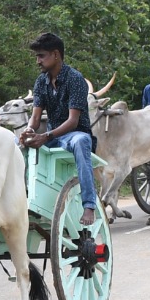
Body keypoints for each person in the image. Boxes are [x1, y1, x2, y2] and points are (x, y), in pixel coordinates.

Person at [20, 32, 99, 226]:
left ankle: (89, 205)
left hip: (74, 134)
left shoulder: (75, 79)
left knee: (81, 141)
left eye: (41, 56)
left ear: (56, 55)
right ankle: (22, 199)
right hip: (53, 134)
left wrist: (45, 136)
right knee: (16, 143)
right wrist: (29, 130)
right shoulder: (41, 81)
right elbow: (36, 118)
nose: (38, 61)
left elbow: (73, 121)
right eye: (37, 56)